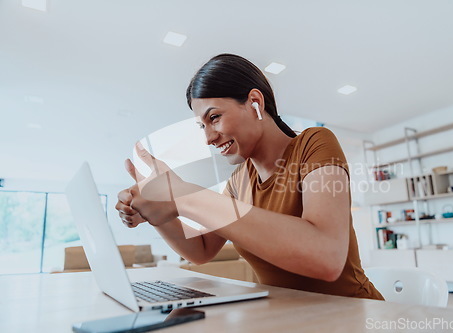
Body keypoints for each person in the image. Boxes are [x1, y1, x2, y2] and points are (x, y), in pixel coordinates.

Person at [116, 54, 383, 300]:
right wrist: (155, 209)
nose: (208, 138)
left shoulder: (315, 143)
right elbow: (202, 249)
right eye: (202, 126)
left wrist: (183, 196)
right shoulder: (239, 181)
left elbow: (326, 257)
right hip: (290, 318)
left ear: (255, 103)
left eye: (215, 117)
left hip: (355, 313)